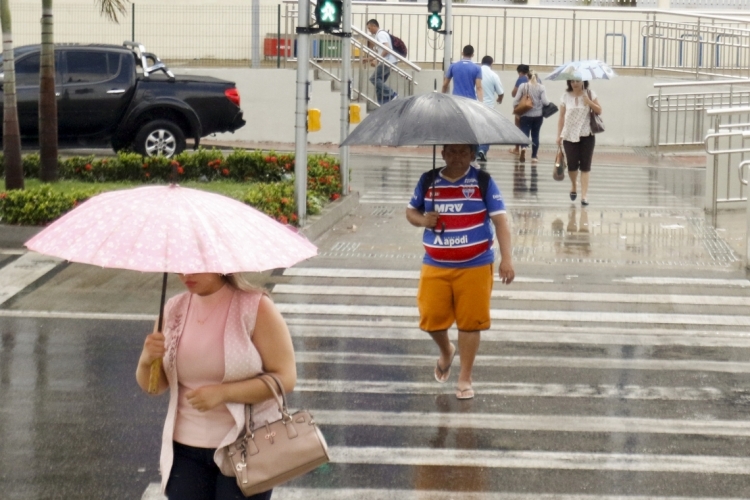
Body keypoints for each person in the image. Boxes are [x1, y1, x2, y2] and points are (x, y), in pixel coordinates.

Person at [136, 273, 297, 500]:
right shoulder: (173, 310)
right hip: (184, 451)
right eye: (181, 265)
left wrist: (224, 394)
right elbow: (155, 387)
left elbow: (286, 377)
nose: (186, 274)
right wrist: (146, 359)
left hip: (247, 445)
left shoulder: (255, 307)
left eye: (196, 265)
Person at [405, 144, 514, 400]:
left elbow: (500, 221)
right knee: (430, 318)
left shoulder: (483, 182)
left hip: (475, 263)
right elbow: (410, 211)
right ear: (442, 153)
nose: (457, 158)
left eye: (463, 152)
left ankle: (465, 378)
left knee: (470, 322)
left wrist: (506, 259)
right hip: (436, 262)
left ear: (472, 155)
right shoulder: (428, 180)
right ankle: (446, 351)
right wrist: (423, 220)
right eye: (451, 152)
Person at [556, 79, 602, 206]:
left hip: (587, 134)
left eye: (578, 81)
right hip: (569, 135)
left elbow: (599, 110)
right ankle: (573, 185)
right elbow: (561, 116)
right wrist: (559, 135)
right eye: (572, 81)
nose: (575, 83)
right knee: (572, 165)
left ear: (583, 82)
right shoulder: (565, 97)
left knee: (585, 166)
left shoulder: (590, 94)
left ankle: (584, 196)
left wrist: (589, 102)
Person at [512, 69, 549, 164]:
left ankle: (523, 147)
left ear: (527, 77)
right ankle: (534, 157)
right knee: (535, 135)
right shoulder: (541, 87)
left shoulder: (522, 86)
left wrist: (517, 111)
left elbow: (515, 100)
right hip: (538, 115)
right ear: (537, 77)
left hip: (525, 115)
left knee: (524, 133)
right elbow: (545, 102)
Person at [476, 55, 504, 162]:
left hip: (474, 104)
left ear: (482, 62)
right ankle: (482, 150)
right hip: (488, 107)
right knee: (486, 130)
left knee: (476, 129)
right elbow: (501, 92)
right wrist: (499, 99)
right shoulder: (494, 75)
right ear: (491, 63)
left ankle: (475, 151)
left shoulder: (476, 72)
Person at [366, 19, 398, 105]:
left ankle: (392, 94)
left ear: (374, 26)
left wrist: (377, 60)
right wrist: (368, 59)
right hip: (390, 61)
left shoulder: (380, 34)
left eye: (369, 28)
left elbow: (386, 49)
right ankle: (383, 104)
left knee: (374, 79)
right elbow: (381, 51)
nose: (369, 30)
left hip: (387, 61)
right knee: (379, 84)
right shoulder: (380, 34)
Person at [509, 64, 530, 156]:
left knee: (518, 128)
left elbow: (514, 93)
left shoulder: (521, 79)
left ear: (519, 72)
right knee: (528, 129)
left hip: (521, 107)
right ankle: (525, 148)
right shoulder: (534, 79)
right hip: (531, 107)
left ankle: (517, 148)